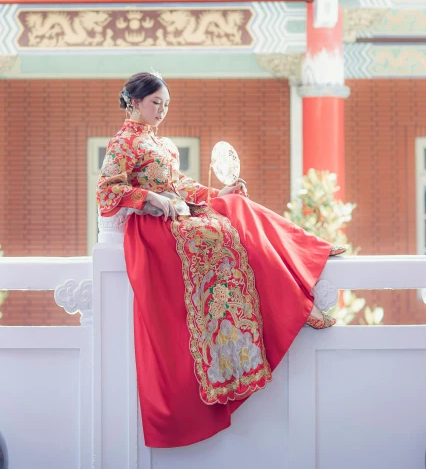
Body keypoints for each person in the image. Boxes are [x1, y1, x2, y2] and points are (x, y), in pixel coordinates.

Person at [96, 71, 345, 449]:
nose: (161, 111)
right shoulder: (122, 143)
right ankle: (292, 301)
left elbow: (180, 184)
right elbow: (107, 190)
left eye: (165, 105)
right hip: (155, 227)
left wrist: (216, 191)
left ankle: (307, 257)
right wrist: (148, 198)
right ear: (134, 102)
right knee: (218, 233)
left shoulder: (160, 144)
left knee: (235, 205)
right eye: (154, 103)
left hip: (178, 213)